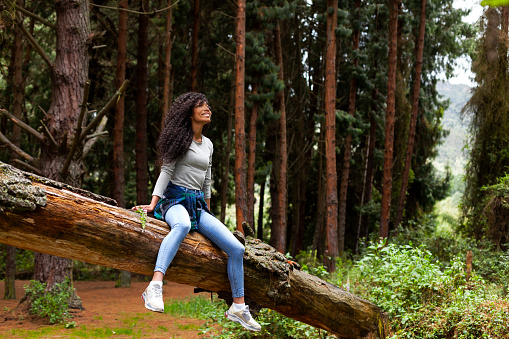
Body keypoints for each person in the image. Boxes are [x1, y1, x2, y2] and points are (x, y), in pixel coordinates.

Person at [132, 92, 261, 332]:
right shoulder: (180, 140)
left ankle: (239, 307)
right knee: (180, 225)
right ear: (189, 112)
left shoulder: (209, 144)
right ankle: (155, 286)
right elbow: (165, 173)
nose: (207, 108)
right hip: (174, 200)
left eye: (208, 105)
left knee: (236, 248)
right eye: (201, 106)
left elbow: (207, 180)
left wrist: (208, 213)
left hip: (197, 204)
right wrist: (152, 204)